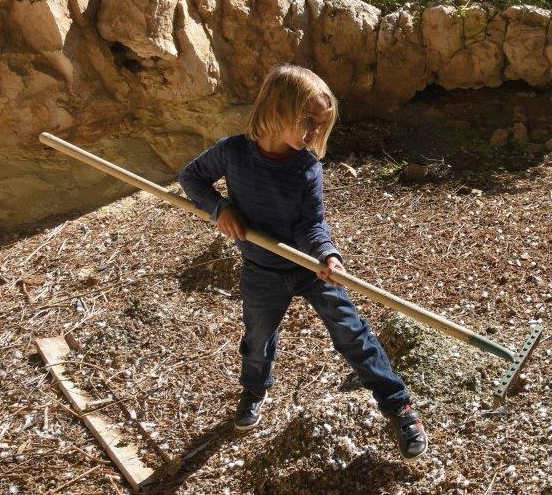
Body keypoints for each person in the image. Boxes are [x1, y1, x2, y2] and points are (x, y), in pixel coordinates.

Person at [178, 64, 428, 460]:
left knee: (352, 334)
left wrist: (327, 256)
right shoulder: (233, 153)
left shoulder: (305, 167)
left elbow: (311, 223)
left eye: (320, 126)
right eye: (308, 121)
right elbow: (191, 177)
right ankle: (254, 391)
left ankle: (399, 407)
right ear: (278, 107)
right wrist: (219, 208)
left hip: (309, 269)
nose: (313, 134)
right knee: (257, 339)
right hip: (261, 268)